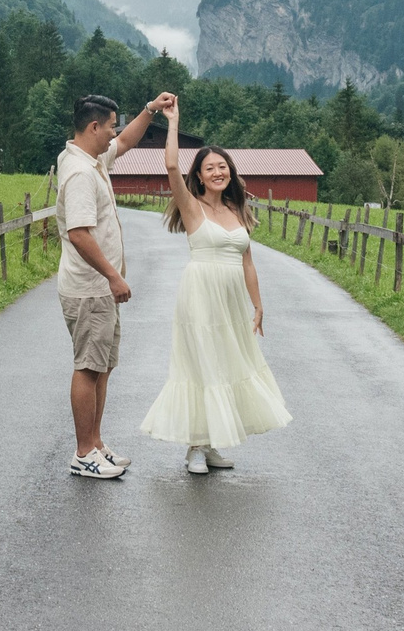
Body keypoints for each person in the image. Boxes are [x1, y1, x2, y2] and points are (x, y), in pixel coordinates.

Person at [138, 98, 291, 474]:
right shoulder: (192, 208)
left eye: (223, 166)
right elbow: (172, 164)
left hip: (231, 302)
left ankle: (209, 444)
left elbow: (247, 261)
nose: (218, 172)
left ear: (230, 172)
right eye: (210, 168)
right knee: (200, 365)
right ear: (201, 177)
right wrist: (172, 121)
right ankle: (194, 446)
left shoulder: (238, 211)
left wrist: (258, 306)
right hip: (200, 296)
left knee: (224, 364)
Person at [57, 89, 175, 480]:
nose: (114, 133)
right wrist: (113, 275)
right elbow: (78, 233)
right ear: (93, 126)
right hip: (90, 288)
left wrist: (150, 111)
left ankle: (96, 443)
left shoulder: (90, 158)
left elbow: (125, 143)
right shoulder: (78, 173)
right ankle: (83, 452)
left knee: (102, 367)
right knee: (88, 368)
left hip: (100, 290)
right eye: (109, 126)